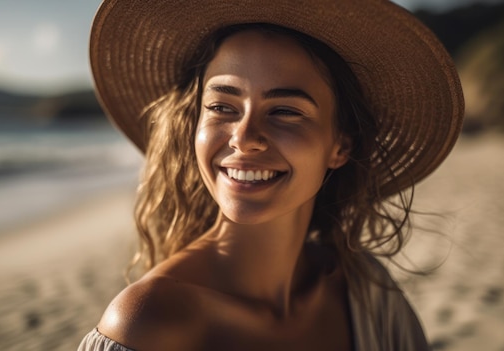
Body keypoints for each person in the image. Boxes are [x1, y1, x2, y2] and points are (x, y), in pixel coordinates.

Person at [79, 0, 464, 350]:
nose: (244, 139)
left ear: (340, 146)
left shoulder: (363, 289)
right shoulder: (149, 322)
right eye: (222, 107)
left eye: (285, 111)